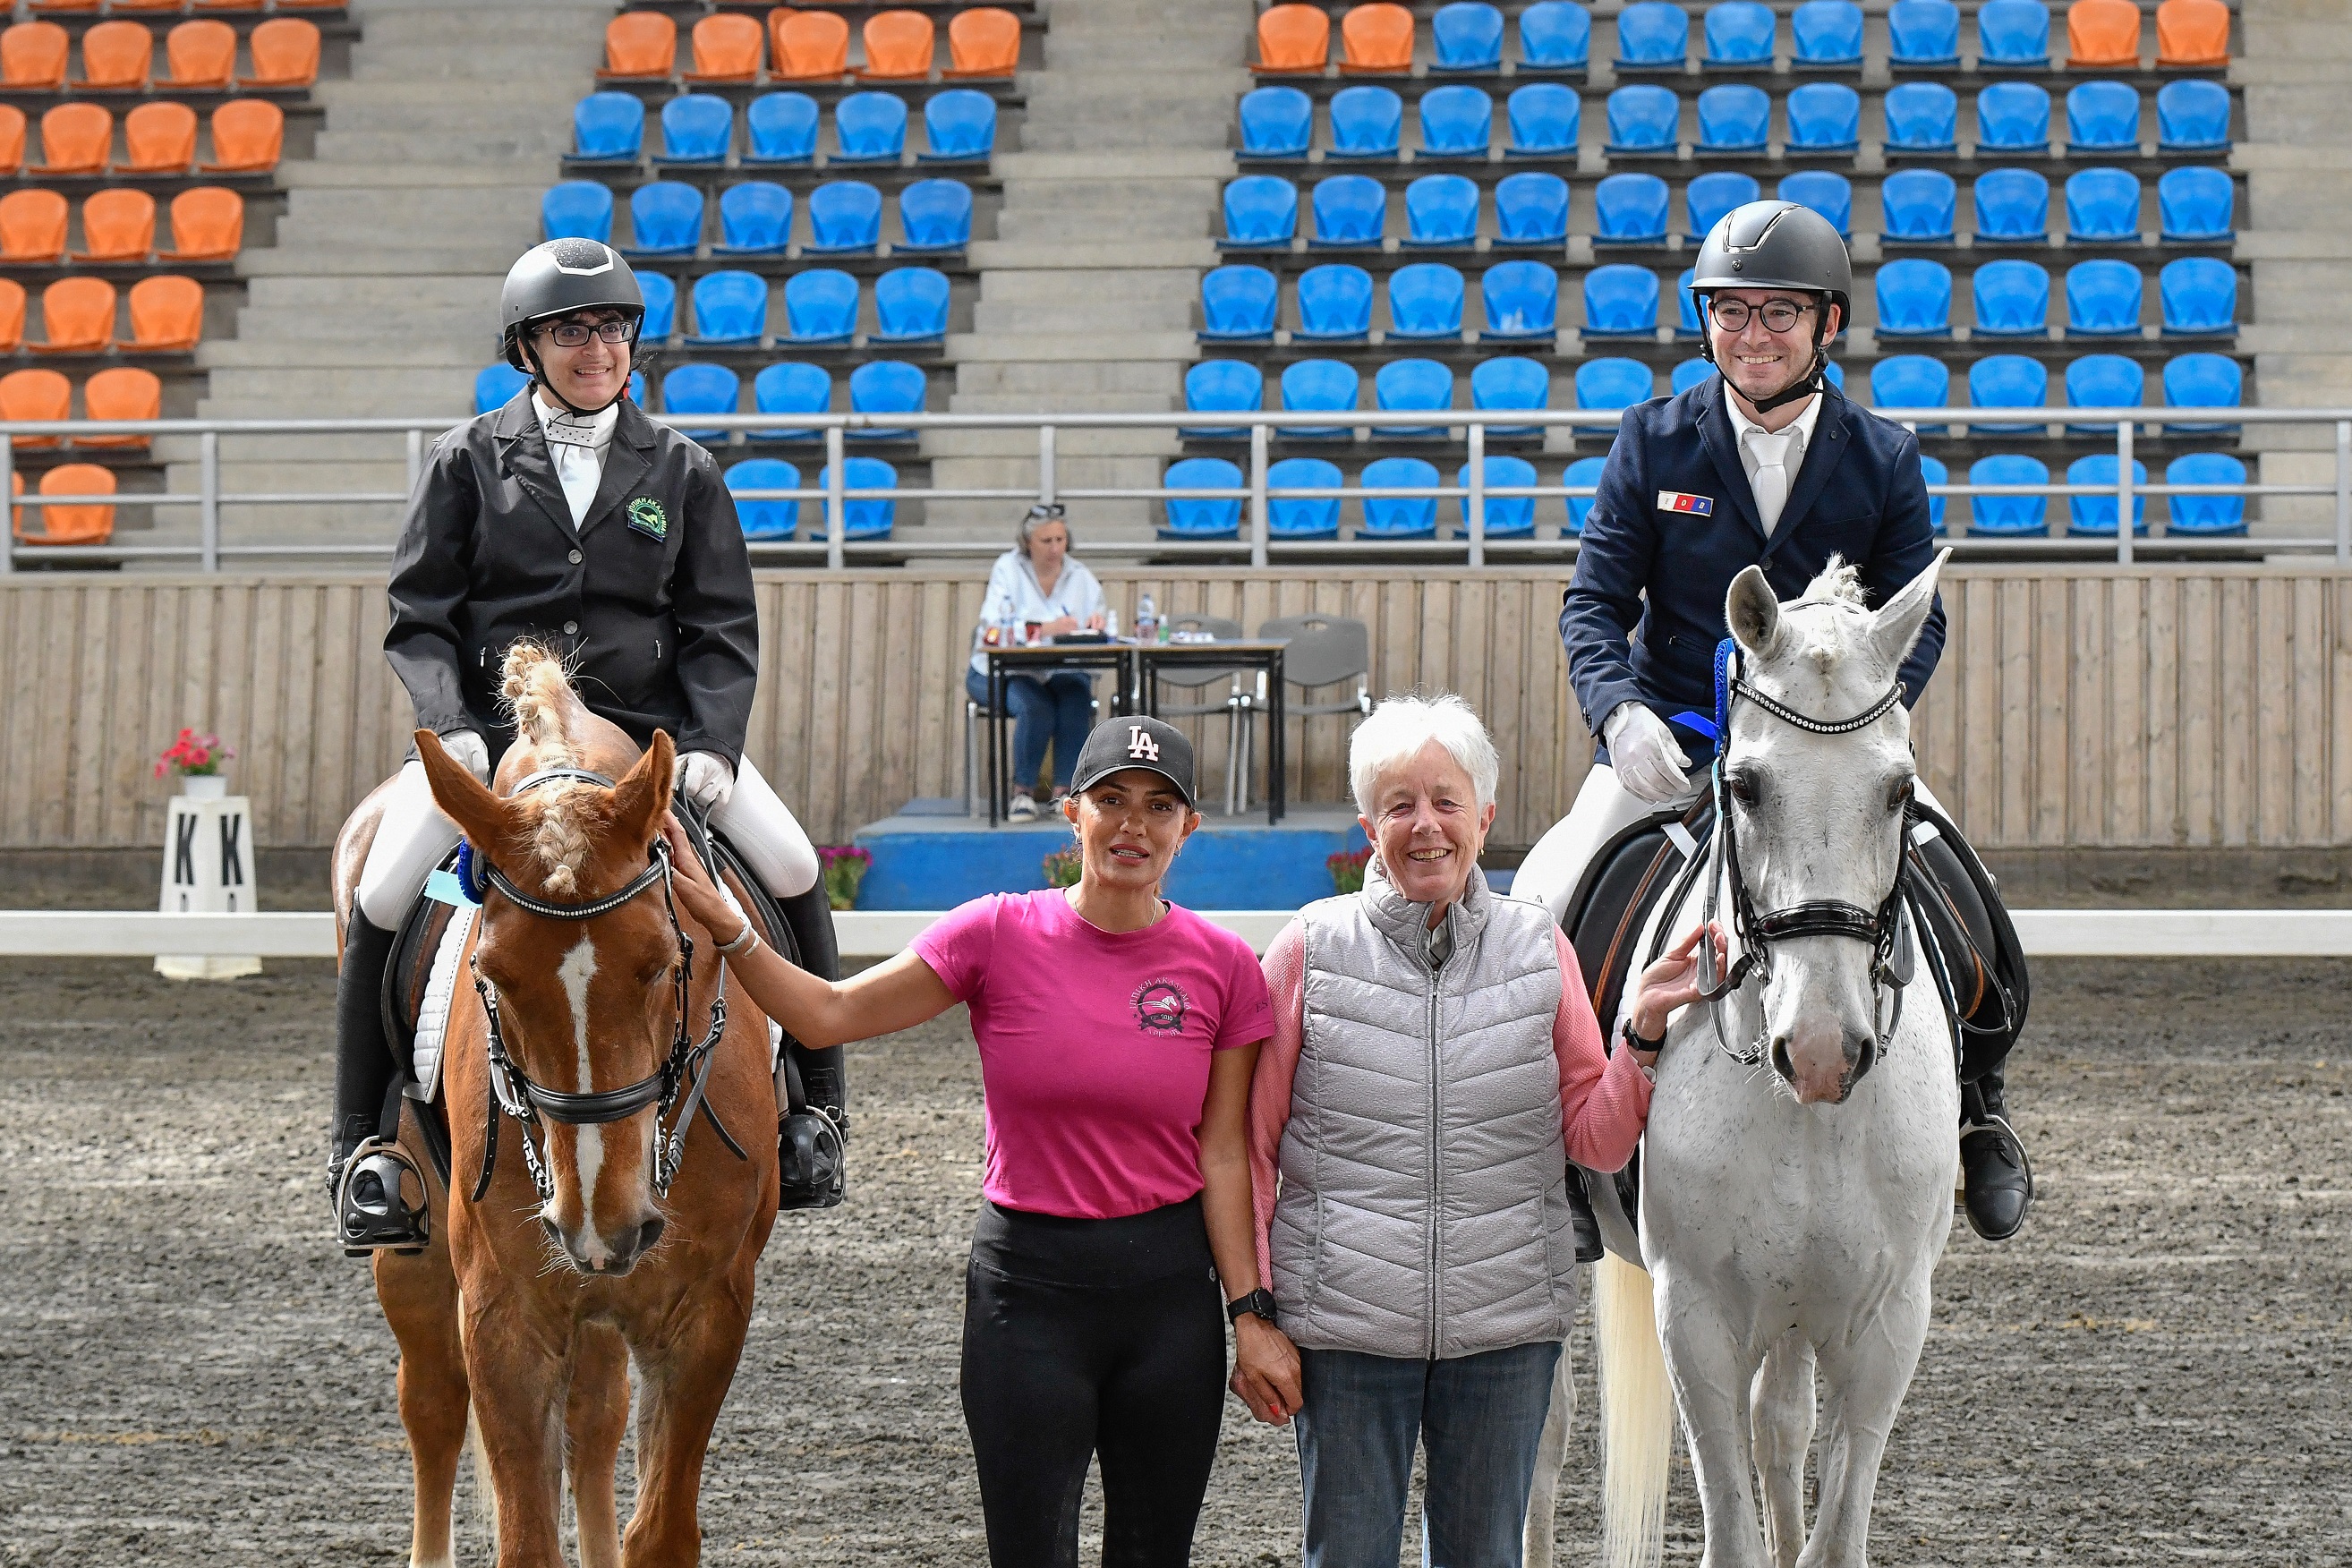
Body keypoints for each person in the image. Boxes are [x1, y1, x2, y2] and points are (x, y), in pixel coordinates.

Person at [1513, 199, 2032, 1241]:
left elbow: (1909, 621)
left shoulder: (1883, 455)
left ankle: (1981, 1105)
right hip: (1676, 738)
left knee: (1961, 883)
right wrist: (1617, 716)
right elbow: (1593, 605)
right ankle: (1556, 1147)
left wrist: (1858, 727)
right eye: (1731, 312)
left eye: (1778, 313)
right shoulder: (1653, 440)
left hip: (1827, 747)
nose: (1752, 334)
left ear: (1826, 325)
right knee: (1548, 897)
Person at [661, 714, 1275, 1568]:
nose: (1133, 825)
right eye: (1111, 800)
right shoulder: (996, 933)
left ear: (1188, 828)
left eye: (1158, 807)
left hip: (1168, 1302)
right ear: (1072, 812)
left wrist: (1250, 1314)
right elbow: (825, 1012)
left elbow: (1222, 1155)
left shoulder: (1225, 966)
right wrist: (726, 925)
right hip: (1029, 1299)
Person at [330, 237, 841, 1253]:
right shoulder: (466, 460)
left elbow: (721, 628)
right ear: (529, 345)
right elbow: (419, 616)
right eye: (571, 330)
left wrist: (711, 745)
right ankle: (365, 1151)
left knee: (792, 864)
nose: (594, 347)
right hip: (496, 745)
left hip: (650, 747)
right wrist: (452, 732)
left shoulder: (684, 470)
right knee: (387, 892)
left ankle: (814, 1113)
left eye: (610, 327)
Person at [1229, 695, 1725, 1568]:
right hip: (1345, 1332)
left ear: (1485, 818)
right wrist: (1254, 1315)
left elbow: (1598, 1142)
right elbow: (1251, 1149)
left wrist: (1640, 1031)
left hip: (1505, 1334)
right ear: (1367, 825)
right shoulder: (1308, 949)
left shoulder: (1542, 949)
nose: (1426, 827)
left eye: (1446, 802)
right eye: (1400, 805)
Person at [967, 502, 1106, 820]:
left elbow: (1098, 621)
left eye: (1060, 540)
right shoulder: (1007, 569)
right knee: (1035, 705)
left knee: (1076, 693)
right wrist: (1045, 629)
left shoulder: (1081, 575)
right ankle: (1023, 793)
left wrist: (1096, 626)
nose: (1055, 549)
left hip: (1057, 667)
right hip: (999, 670)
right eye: (1046, 541)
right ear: (1028, 543)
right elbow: (991, 628)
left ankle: (1065, 793)